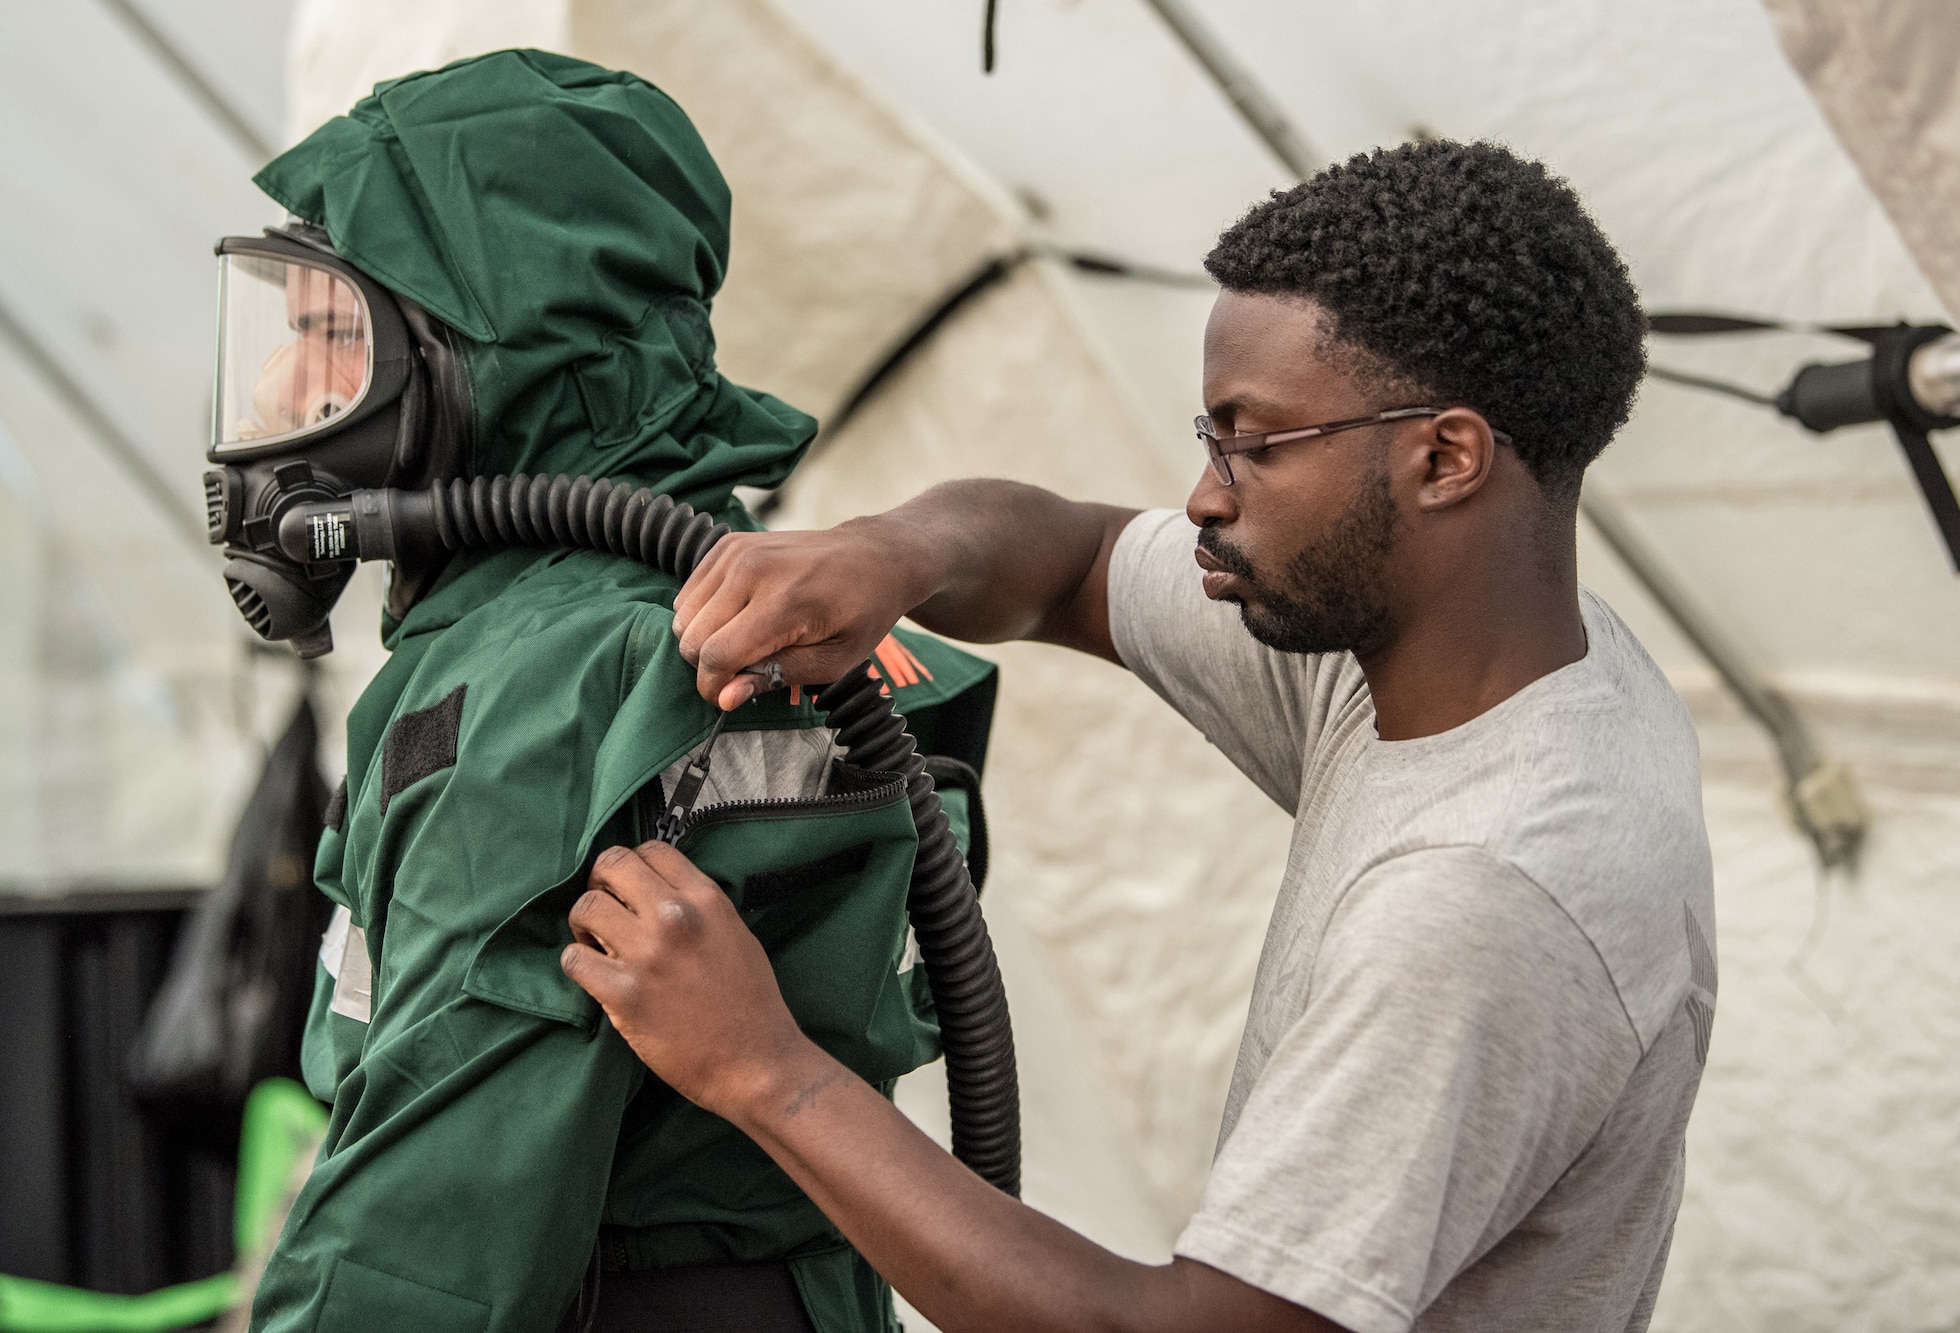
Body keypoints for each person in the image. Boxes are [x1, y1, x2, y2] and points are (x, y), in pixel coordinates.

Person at [558, 139, 1719, 1332]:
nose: (1207, 494)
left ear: (1443, 457)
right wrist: (888, 553)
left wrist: (761, 1068)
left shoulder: (1483, 901)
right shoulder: (1492, 649)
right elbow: (1075, 558)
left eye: (1253, 441)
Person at [234, 50, 1000, 1333]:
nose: (272, 397)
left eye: (323, 334)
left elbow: (427, 1237)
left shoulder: (557, 681)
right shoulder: (695, 602)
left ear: (486, 348)